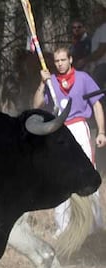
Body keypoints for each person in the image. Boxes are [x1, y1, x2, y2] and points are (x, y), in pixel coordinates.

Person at [33, 47, 106, 236]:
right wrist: (42, 83)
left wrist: (101, 132)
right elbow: (36, 104)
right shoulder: (51, 82)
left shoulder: (83, 78)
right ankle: (63, 226)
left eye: (63, 60)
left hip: (79, 127)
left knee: (88, 173)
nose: (60, 64)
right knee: (60, 177)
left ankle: (96, 225)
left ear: (70, 60)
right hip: (59, 129)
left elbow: (97, 105)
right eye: (57, 61)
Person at [75, 5, 106, 88]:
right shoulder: (98, 30)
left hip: (103, 65)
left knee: (94, 88)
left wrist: (84, 60)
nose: (96, 16)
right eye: (94, 14)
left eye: (98, 13)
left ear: (104, 13)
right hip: (97, 65)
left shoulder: (105, 28)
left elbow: (101, 51)